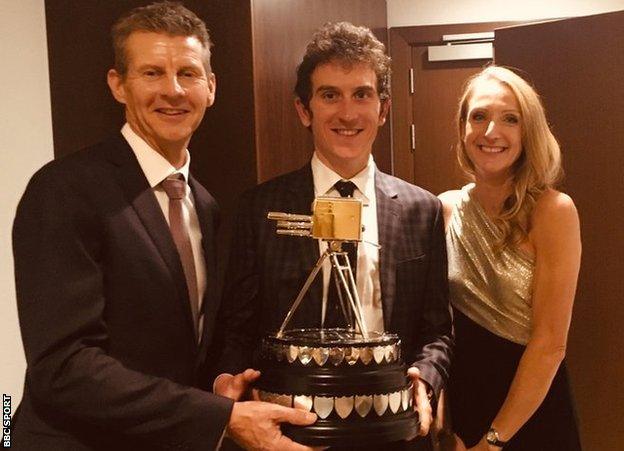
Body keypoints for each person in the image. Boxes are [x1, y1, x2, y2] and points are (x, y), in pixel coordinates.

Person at [11, 2, 316, 450]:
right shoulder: (64, 189)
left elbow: (174, 351)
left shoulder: (207, 206)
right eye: (152, 73)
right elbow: (64, 367)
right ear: (118, 84)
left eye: (189, 74)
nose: (173, 91)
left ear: (211, 88)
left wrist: (216, 387)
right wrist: (220, 416)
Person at [211, 22, 453, 449]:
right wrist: (227, 382)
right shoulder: (259, 208)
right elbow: (237, 325)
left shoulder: (423, 210)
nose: (347, 113)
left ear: (383, 108)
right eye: (330, 95)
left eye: (362, 94)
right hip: (290, 431)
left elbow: (438, 331)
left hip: (393, 432)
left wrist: (427, 378)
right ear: (304, 110)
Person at [438, 66, 582, 450]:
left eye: (510, 119)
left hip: (532, 418)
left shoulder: (553, 211)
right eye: (479, 116)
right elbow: (435, 329)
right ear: (463, 127)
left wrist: (493, 441)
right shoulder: (445, 210)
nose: (490, 132)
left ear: (528, 132)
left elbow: (550, 344)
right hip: (463, 415)